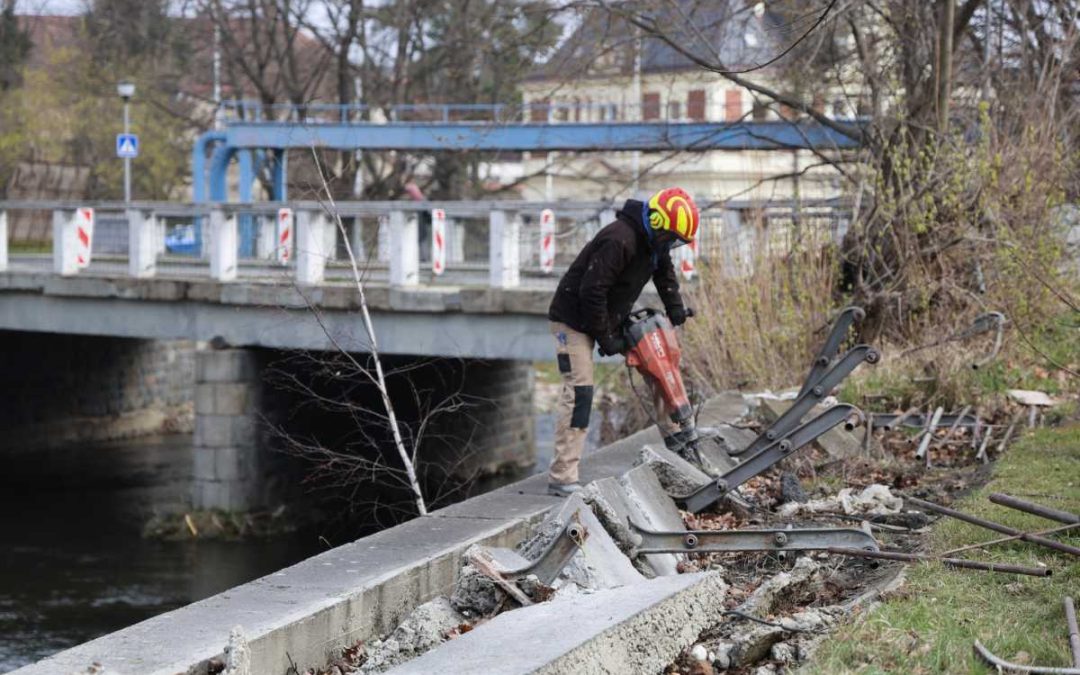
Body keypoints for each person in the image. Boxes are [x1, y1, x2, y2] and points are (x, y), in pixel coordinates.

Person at [546, 187, 699, 496]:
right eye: (670, 238)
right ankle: (562, 477)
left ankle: (677, 440)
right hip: (573, 319)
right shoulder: (620, 239)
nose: (670, 244)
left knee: (660, 368)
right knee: (580, 391)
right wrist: (607, 338)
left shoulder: (655, 242)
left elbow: (664, 273)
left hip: (608, 314)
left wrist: (675, 308)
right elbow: (592, 291)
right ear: (657, 222)